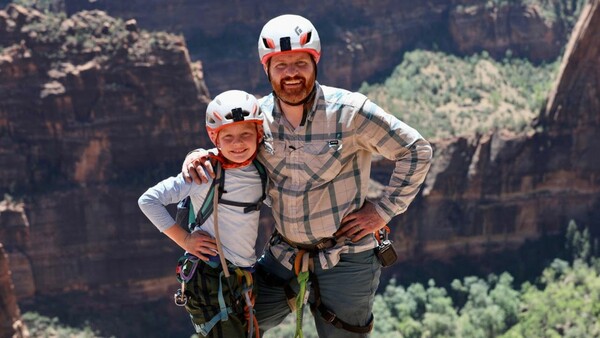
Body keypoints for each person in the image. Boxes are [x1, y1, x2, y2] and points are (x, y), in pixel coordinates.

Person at [182, 14, 433, 337]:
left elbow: (415, 150)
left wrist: (382, 210)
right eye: (281, 65)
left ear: (315, 62)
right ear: (267, 69)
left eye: (300, 63)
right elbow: (229, 149)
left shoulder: (350, 112)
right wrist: (198, 156)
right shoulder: (258, 120)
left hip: (348, 256)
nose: (291, 73)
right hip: (284, 254)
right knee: (230, 328)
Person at [139, 89, 267, 337]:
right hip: (212, 278)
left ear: (259, 134)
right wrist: (185, 240)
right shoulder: (204, 173)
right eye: (227, 136)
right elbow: (149, 200)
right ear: (214, 137)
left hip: (242, 276)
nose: (238, 143)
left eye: (245, 134)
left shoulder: (260, 170)